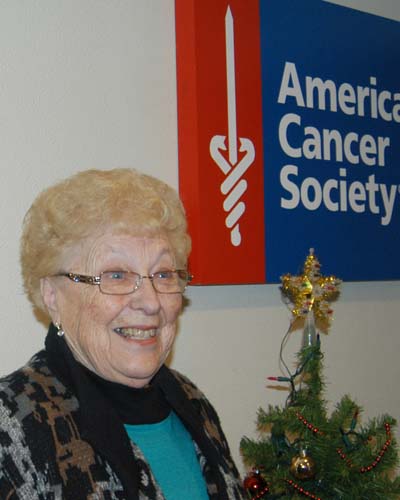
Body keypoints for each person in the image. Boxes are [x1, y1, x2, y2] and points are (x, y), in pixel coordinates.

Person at [0, 168, 245, 499]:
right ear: (52, 295)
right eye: (115, 275)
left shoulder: (193, 403)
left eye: (163, 274)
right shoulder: (12, 425)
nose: (150, 302)